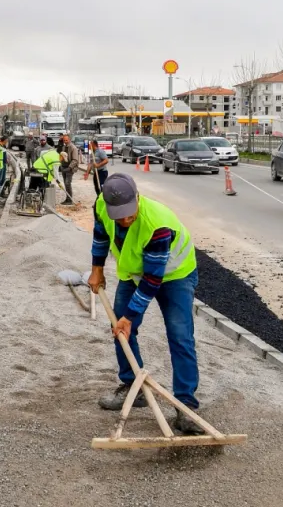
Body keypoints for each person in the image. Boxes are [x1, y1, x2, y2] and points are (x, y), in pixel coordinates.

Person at [88, 174, 202, 435]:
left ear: (137, 197)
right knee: (121, 331)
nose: (126, 220)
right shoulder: (101, 205)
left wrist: (130, 315)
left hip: (176, 275)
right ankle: (133, 387)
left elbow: (153, 280)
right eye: (120, 217)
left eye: (130, 214)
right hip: (135, 272)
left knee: (180, 336)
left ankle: (185, 405)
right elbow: (100, 235)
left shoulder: (157, 224)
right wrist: (97, 270)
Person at [57, 134, 83, 206]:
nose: (65, 141)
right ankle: (68, 198)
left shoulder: (73, 148)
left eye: (66, 140)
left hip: (70, 168)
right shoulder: (64, 147)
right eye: (64, 140)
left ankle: (69, 200)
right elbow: (62, 156)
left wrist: (69, 168)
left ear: (69, 140)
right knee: (66, 184)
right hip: (64, 167)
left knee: (67, 183)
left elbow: (75, 160)